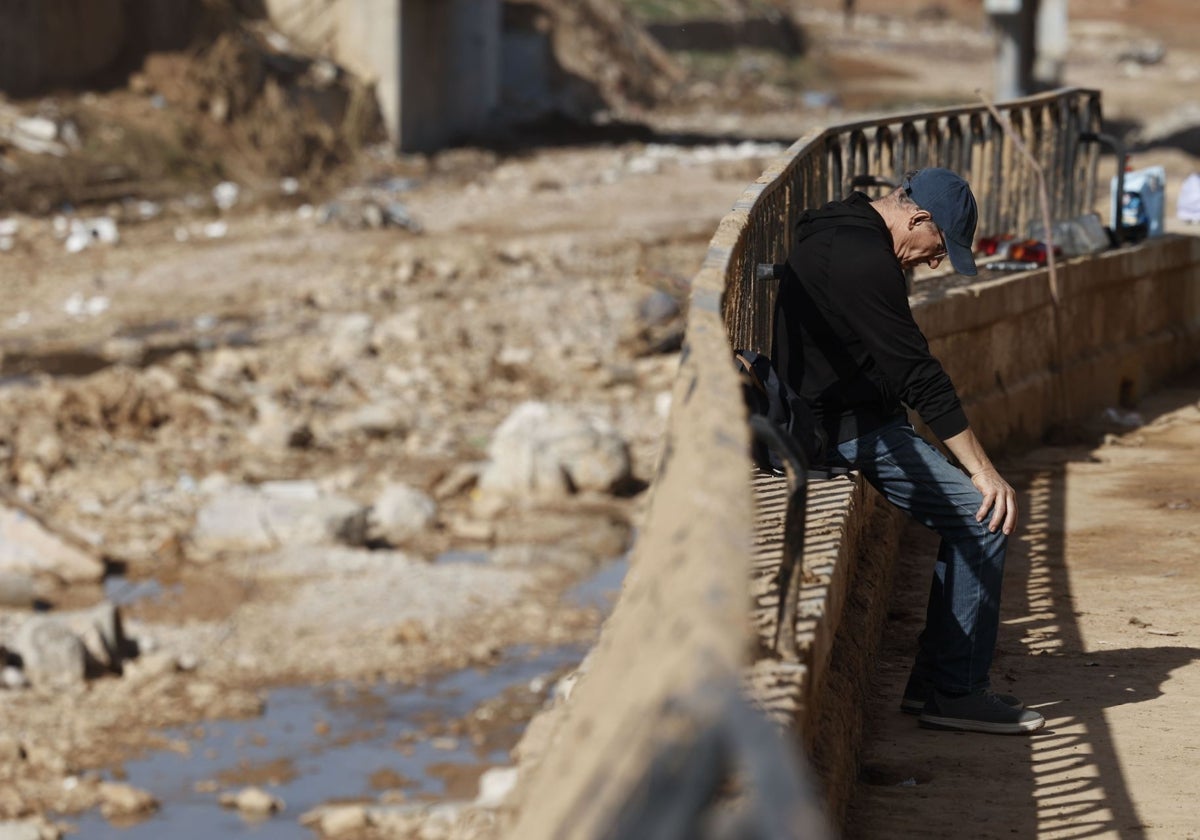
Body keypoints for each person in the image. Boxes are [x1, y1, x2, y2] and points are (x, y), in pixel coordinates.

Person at [773, 167, 1044, 735]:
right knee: (984, 519)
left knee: (971, 517)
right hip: (847, 429)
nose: (935, 261)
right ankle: (956, 691)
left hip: (845, 416)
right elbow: (919, 375)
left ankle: (933, 685)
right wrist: (985, 472)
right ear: (918, 218)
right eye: (940, 246)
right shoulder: (862, 260)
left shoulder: (839, 231)